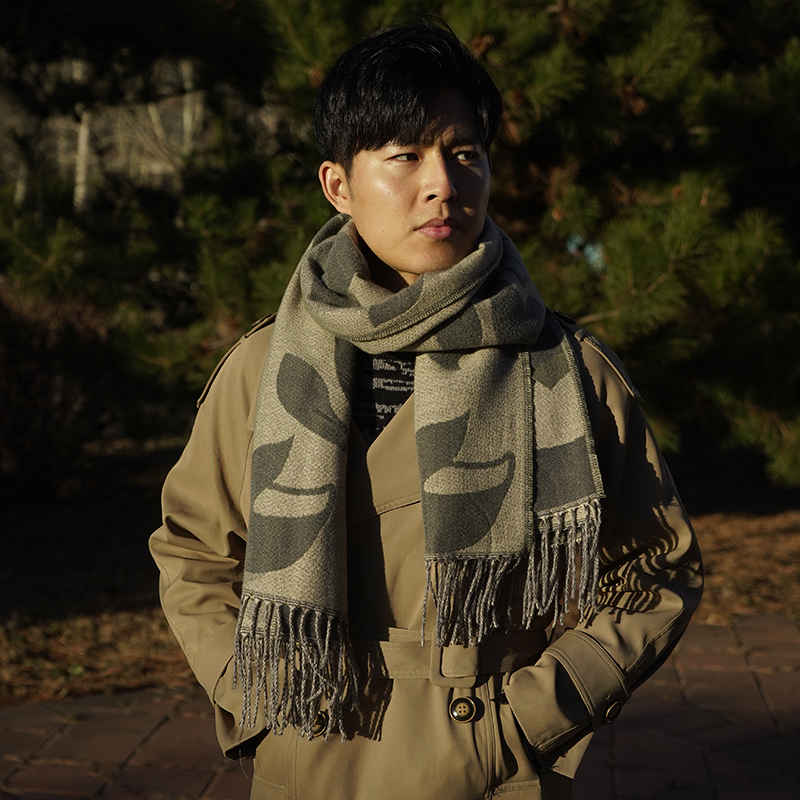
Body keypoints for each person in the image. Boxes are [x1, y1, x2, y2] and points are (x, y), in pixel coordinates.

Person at [149, 19, 702, 800]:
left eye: (464, 153)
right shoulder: (263, 367)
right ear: (338, 184)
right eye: (406, 155)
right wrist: (256, 698)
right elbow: (197, 553)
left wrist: (525, 722)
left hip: (486, 762)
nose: (443, 182)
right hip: (313, 748)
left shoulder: (567, 368)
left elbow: (656, 567)